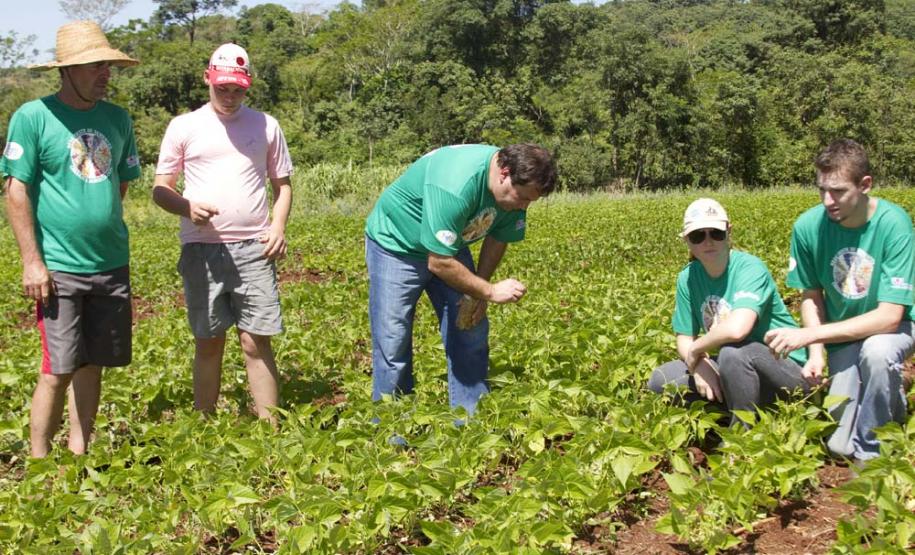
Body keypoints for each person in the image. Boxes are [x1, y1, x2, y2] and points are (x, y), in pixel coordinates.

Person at [1, 21, 141, 457]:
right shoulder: (33, 116)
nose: (106, 73)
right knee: (56, 369)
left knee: (92, 363)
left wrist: (98, 219)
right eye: (96, 65)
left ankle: (81, 452)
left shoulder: (118, 119)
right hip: (59, 268)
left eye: (107, 65)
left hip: (111, 262)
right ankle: (41, 460)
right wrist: (32, 260)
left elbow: (120, 182)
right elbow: (15, 190)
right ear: (67, 71)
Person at [153, 43, 293, 423]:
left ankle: (271, 427)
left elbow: (283, 186)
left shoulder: (266, 125)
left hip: (254, 246)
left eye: (238, 90)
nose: (230, 97)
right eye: (222, 88)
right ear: (207, 79)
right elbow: (160, 188)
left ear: (248, 86)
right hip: (202, 248)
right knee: (209, 340)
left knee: (255, 340)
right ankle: (205, 425)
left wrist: (277, 226)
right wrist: (187, 207)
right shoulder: (184, 126)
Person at [365, 143, 557, 416]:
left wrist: (477, 290)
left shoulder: (513, 192)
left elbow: (499, 236)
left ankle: (470, 421)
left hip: (446, 247)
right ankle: (391, 433)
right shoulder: (456, 185)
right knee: (392, 341)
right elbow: (439, 262)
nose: (523, 206)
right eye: (522, 197)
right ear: (504, 173)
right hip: (396, 246)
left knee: (470, 327)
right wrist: (489, 291)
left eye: (530, 201)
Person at [765, 139, 914, 462]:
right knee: (837, 445)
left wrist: (809, 336)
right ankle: (889, 394)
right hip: (841, 335)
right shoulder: (808, 227)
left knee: (876, 353)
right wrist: (816, 354)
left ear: (865, 185)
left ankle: (873, 457)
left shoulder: (893, 224)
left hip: (894, 327)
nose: (828, 201)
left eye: (838, 191)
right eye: (821, 190)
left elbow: (889, 316)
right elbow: (811, 295)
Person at [648, 198, 810, 426]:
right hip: (734, 369)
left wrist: (696, 351)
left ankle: (741, 435)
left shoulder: (750, 268)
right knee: (662, 380)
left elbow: (737, 330)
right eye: (698, 236)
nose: (708, 241)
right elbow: (684, 337)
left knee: (734, 353)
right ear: (687, 240)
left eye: (715, 232)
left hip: (785, 370)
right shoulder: (688, 278)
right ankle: (746, 408)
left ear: (728, 232)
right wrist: (700, 365)